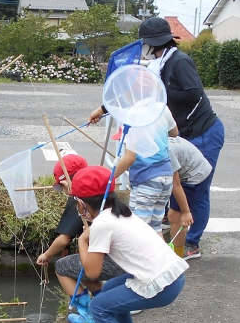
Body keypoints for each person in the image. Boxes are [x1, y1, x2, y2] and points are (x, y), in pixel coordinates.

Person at [90, 17, 224, 260]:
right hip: (175, 138)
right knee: (172, 197)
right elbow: (136, 93)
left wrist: (160, 95)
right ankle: (167, 247)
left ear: (153, 43)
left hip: (202, 131)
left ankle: (189, 243)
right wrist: (104, 108)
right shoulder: (158, 65)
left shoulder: (179, 61)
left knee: (195, 190)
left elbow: (193, 93)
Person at [71, 166, 188, 323]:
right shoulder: (121, 212)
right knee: (108, 291)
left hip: (161, 284)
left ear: (82, 203)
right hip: (171, 274)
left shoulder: (102, 225)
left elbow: (92, 272)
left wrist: (81, 241)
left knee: (100, 307)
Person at [36, 154, 126, 323]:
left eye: (61, 187)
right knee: (79, 267)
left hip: (114, 261)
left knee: (63, 267)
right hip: (125, 257)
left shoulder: (79, 200)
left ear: (65, 182)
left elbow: (63, 240)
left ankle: (90, 315)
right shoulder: (104, 193)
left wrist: (46, 255)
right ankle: (104, 305)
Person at [112, 106, 179, 238]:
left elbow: (129, 158)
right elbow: (174, 132)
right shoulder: (162, 108)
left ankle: (141, 259)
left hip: (146, 179)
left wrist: (108, 179)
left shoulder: (131, 116)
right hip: (165, 175)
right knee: (155, 227)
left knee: (138, 231)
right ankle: (161, 258)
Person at [167, 136, 212, 257]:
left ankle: (178, 256)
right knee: (174, 213)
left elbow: (176, 184)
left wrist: (186, 212)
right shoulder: (153, 142)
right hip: (189, 165)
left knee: (175, 215)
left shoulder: (165, 152)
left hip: (194, 174)